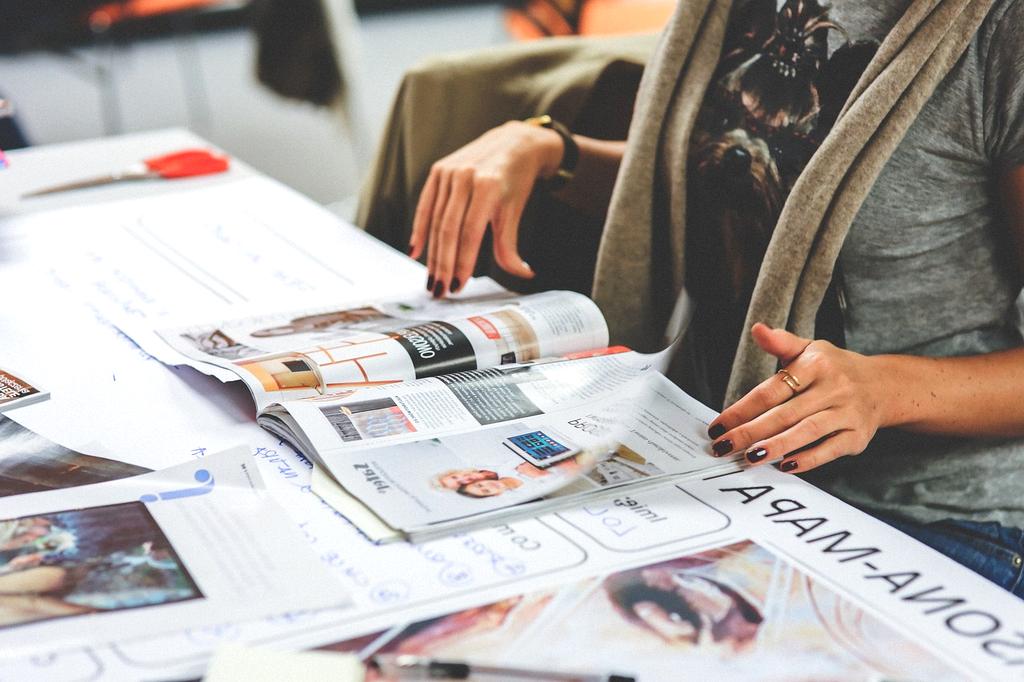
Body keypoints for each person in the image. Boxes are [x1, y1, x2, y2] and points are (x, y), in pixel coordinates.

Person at [407, 0, 1024, 595]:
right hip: (716, 458)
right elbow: (734, 181)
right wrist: (551, 153)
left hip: (929, 516)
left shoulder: (1003, 30)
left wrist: (884, 389)